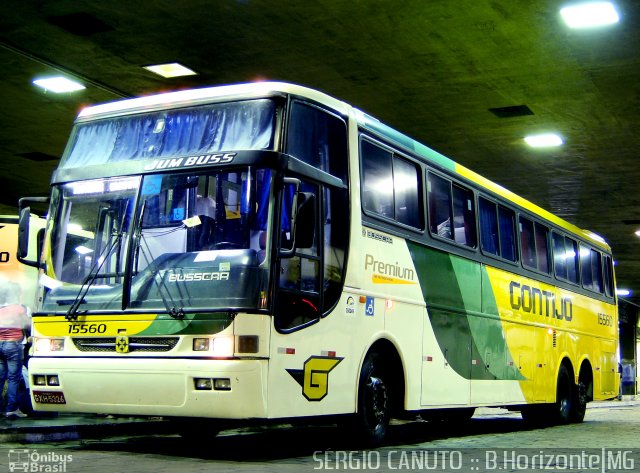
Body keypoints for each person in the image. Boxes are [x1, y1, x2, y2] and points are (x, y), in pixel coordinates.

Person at [0, 281, 31, 418]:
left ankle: (0, 408)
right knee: (14, 378)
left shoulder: (1, 310)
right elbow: (28, 325)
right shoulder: (19, 309)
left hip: (0, 344)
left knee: (0, 377)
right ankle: (11, 409)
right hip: (13, 345)